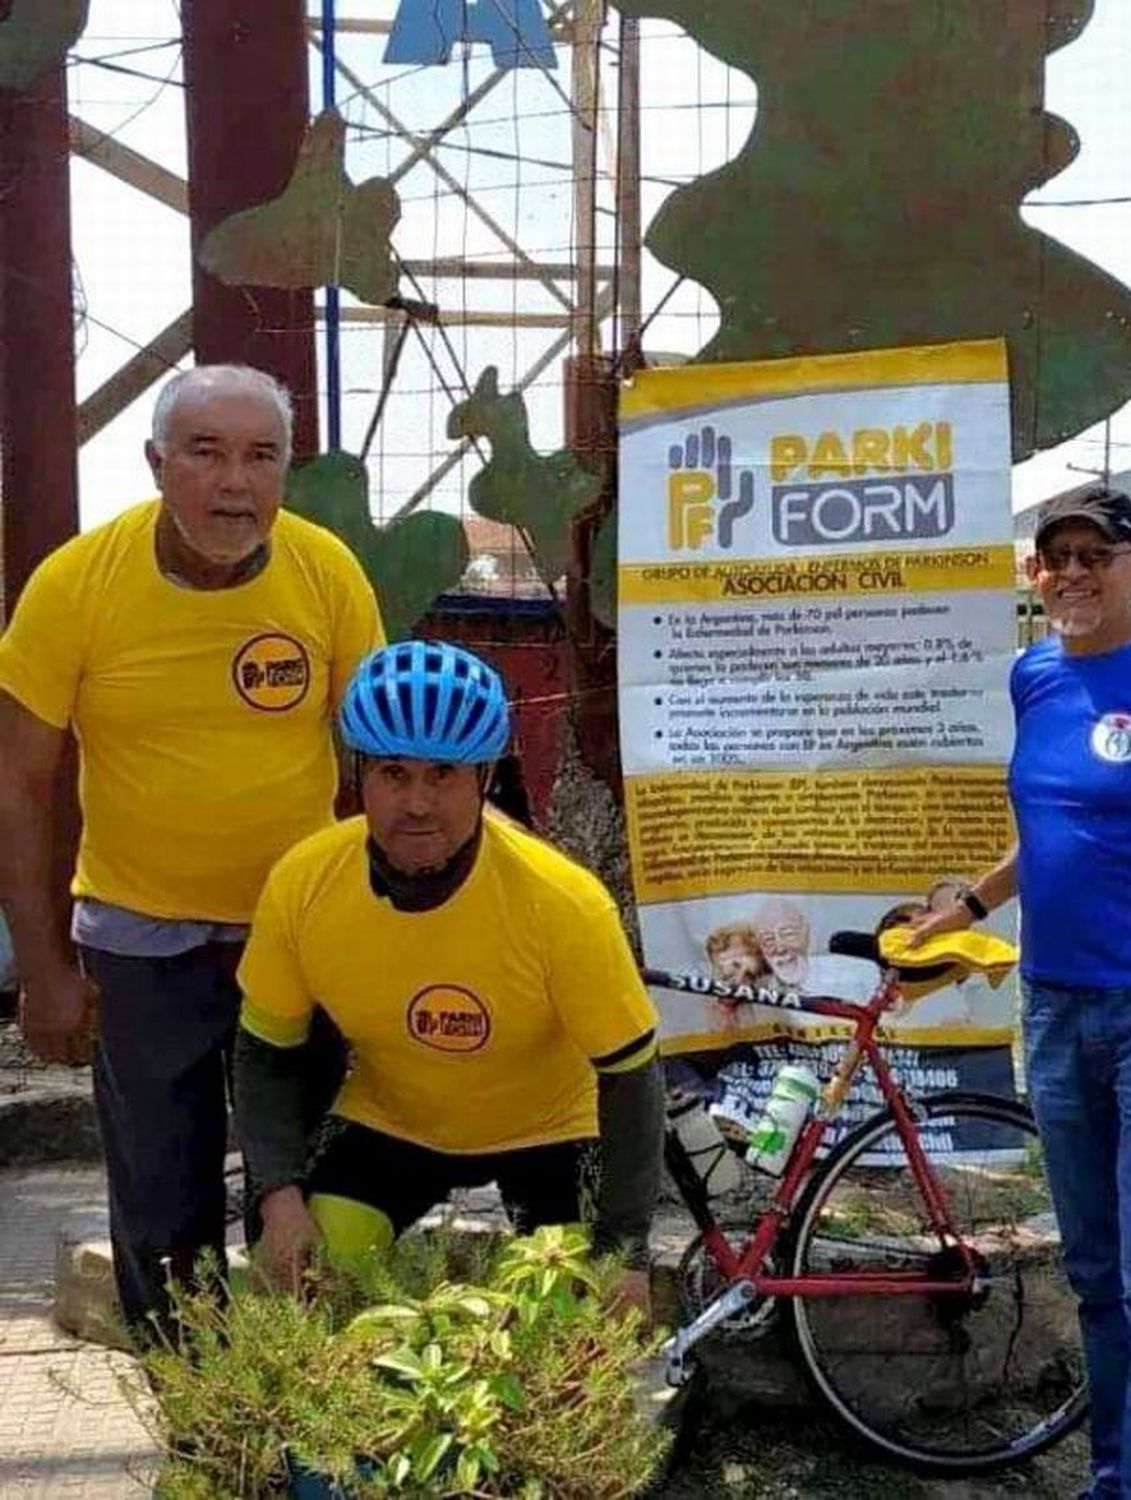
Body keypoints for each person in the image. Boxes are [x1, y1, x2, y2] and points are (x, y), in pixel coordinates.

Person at [0, 365, 384, 1340]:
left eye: (262, 457)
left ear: (287, 474)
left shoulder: (328, 572)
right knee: (165, 1212)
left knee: (307, 1198)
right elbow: (21, 784)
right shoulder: (76, 586)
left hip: (297, 947)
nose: (234, 483)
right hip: (140, 945)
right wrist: (43, 970)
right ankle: (203, 1431)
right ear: (157, 463)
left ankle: (311, 1423)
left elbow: (385, 763)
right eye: (206, 452)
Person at [909, 484, 1131, 1500]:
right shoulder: (1033, 678)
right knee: (1098, 1279)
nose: (1071, 572)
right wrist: (971, 904)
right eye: (1054, 556)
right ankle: (1116, 1478)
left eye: (1093, 556)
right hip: (1059, 1009)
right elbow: (1053, 832)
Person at [234, 641, 664, 1315]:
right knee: (298, 1271)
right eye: (394, 774)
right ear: (359, 776)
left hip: (550, 1129)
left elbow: (633, 1074)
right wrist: (276, 1196)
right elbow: (264, 1055)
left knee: (576, 1319)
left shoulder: (564, 903)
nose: (417, 804)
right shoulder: (303, 884)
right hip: (394, 1119)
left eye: (443, 775)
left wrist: (627, 1250)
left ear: (483, 779)